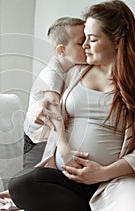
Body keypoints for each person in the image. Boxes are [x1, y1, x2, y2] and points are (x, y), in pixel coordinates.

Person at [8, 1, 135, 210]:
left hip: (116, 179)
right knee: (22, 184)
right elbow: (55, 61)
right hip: (67, 177)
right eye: (83, 40)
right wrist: (37, 115)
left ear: (117, 41)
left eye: (92, 39)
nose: (85, 46)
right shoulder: (72, 73)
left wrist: (102, 173)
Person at [23, 16, 87, 168]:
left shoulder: (74, 69)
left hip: (49, 137)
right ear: (61, 50)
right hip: (36, 142)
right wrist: (65, 150)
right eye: (81, 42)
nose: (87, 46)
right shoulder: (51, 74)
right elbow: (54, 115)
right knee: (33, 178)